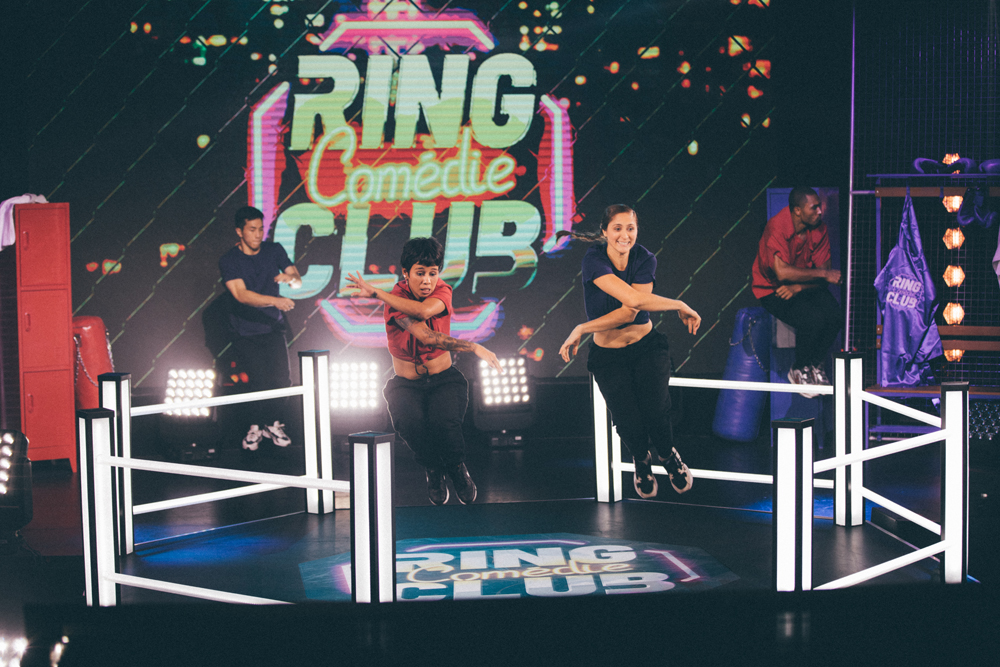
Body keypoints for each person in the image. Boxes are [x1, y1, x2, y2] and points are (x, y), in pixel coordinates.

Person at [345, 238, 503, 506]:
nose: (427, 281)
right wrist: (473, 347)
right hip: (406, 384)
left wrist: (376, 293)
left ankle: (457, 468)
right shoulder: (395, 300)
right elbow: (426, 335)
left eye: (433, 273)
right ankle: (433, 469)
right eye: (420, 273)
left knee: (446, 425)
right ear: (406, 273)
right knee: (410, 425)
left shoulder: (442, 290)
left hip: (444, 379)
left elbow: (425, 310)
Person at [558, 205, 701, 499]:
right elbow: (632, 300)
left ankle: (668, 456)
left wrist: (582, 328)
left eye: (631, 228)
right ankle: (641, 461)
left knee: (657, 411)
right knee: (628, 421)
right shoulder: (594, 259)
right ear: (605, 232)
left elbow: (631, 310)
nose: (625, 235)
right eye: (617, 228)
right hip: (608, 356)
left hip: (646, 347)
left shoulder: (645, 258)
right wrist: (678, 304)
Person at [219, 205, 302, 451]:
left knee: (282, 379)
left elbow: (296, 279)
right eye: (252, 230)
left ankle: (272, 424)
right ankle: (255, 426)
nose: (257, 235)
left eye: (261, 229)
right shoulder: (229, 260)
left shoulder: (274, 250)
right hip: (245, 331)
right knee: (258, 381)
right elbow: (241, 295)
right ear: (239, 231)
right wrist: (275, 301)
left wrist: (291, 279)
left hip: (272, 327)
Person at [751, 187, 842, 394]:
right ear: (798, 211)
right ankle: (799, 369)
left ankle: (815, 365)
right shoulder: (778, 226)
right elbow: (782, 273)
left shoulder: (819, 228)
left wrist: (799, 286)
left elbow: (824, 274)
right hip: (772, 289)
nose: (820, 211)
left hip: (802, 285)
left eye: (820, 206)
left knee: (835, 316)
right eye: (814, 207)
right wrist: (822, 274)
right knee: (812, 319)